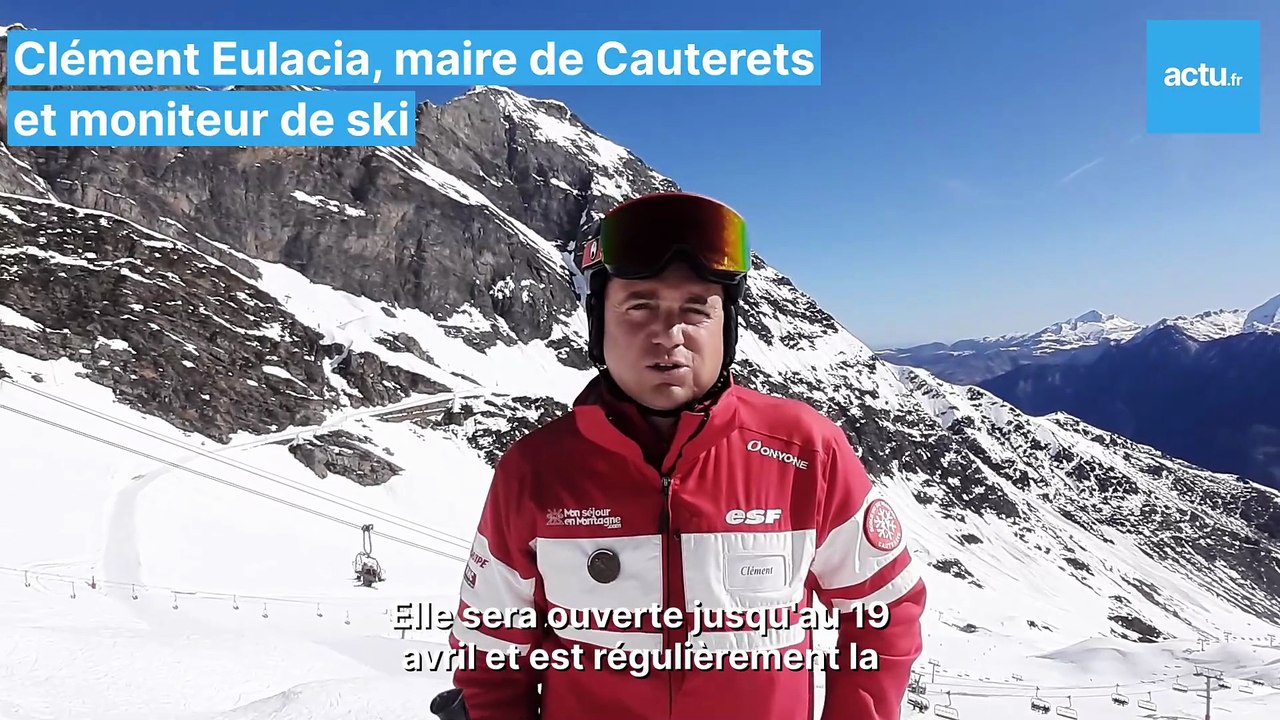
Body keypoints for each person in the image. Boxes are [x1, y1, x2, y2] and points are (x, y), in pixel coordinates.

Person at [445, 191, 926, 720]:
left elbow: (884, 611)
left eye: (696, 310)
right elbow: (490, 654)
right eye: (640, 307)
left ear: (728, 328)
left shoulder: (807, 451)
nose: (668, 336)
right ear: (598, 324)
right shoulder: (536, 471)